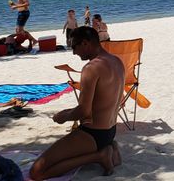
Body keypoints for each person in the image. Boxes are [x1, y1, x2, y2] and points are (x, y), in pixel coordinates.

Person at [29, 26, 124, 180]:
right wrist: (68, 112)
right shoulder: (117, 61)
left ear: (85, 43)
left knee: (37, 172)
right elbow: (102, 100)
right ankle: (110, 146)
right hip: (110, 130)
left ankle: (99, 156)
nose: (73, 52)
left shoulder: (91, 68)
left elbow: (84, 111)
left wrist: (63, 117)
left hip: (93, 134)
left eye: (74, 46)